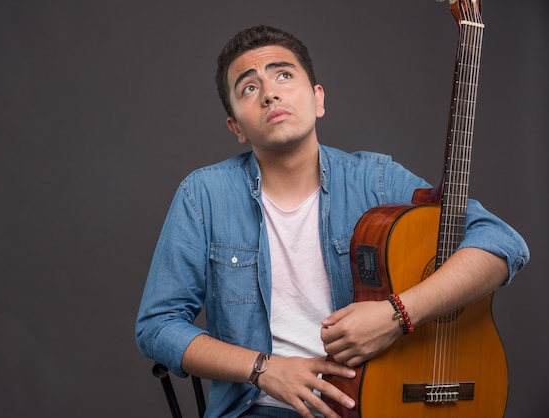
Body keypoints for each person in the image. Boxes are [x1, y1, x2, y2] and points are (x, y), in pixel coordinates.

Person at [135, 25, 529, 418]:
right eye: (249, 88)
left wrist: (398, 314)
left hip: (377, 403)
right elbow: (157, 326)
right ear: (235, 127)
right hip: (260, 407)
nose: (270, 93)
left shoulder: (375, 179)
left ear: (318, 98)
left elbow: (501, 241)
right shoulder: (203, 195)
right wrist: (264, 370)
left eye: (284, 75)